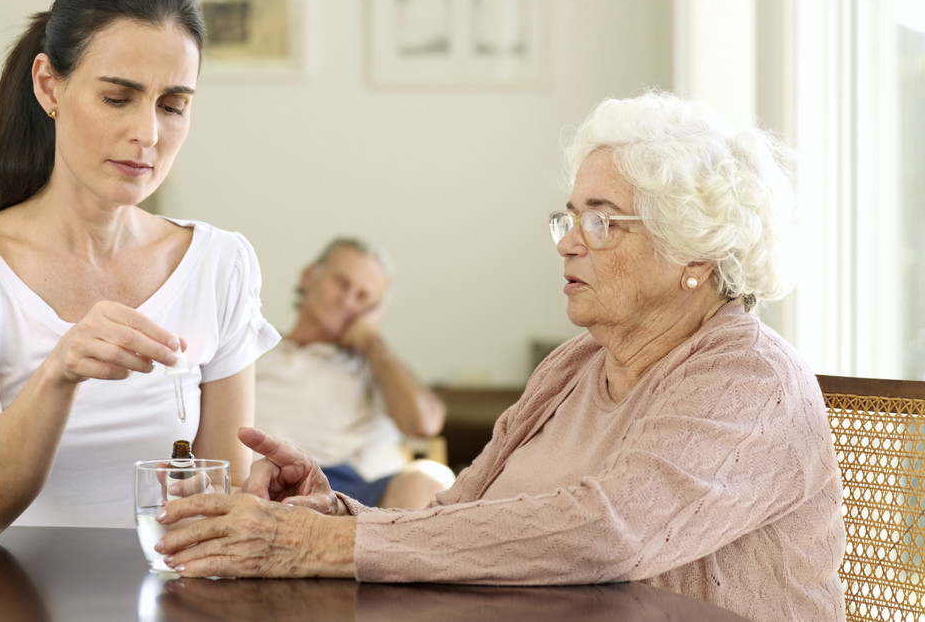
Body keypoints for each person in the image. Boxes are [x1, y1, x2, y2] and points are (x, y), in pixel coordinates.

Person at [156, 92, 846, 622]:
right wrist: (331, 516)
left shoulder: (750, 380)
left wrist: (328, 550)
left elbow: (610, 530)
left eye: (601, 220)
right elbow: (457, 513)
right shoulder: (575, 367)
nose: (568, 242)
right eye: (569, 216)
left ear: (693, 251)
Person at [0, 0, 279, 539]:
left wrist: (270, 500)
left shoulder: (220, 263)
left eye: (173, 105)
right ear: (50, 85)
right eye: (119, 98)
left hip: (166, 590)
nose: (148, 134)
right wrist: (60, 371)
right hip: (2, 591)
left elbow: (217, 495)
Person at [254, 238, 454, 509]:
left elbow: (425, 424)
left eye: (363, 297)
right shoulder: (256, 351)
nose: (348, 301)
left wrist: (371, 341)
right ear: (308, 276)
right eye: (341, 283)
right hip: (272, 488)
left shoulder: (376, 366)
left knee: (431, 477)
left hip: (360, 497)